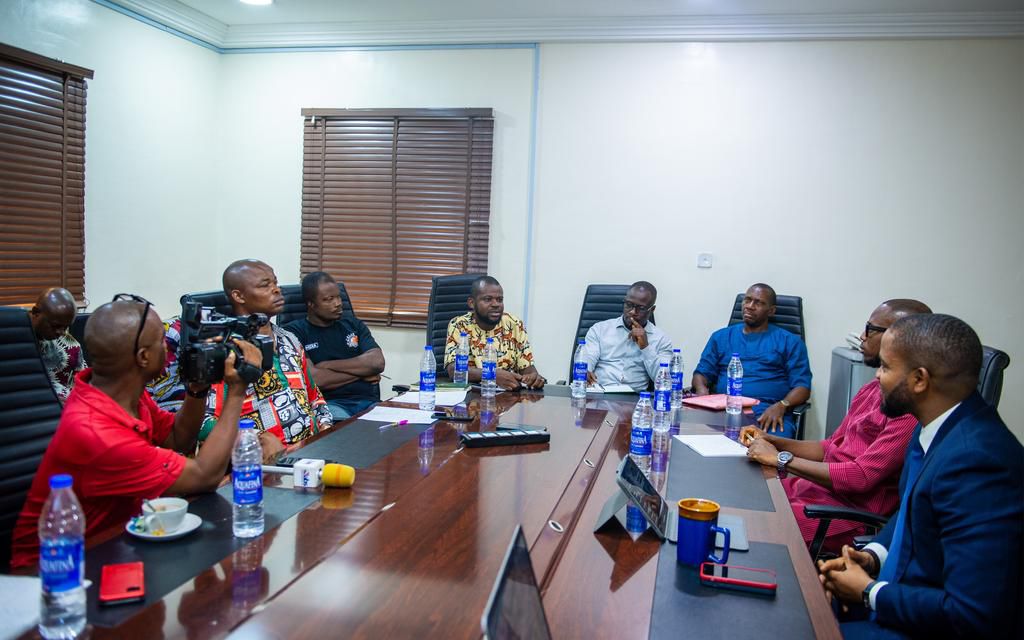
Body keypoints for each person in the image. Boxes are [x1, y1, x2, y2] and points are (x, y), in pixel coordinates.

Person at [10, 295, 262, 569]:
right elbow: (205, 476)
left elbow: (178, 437)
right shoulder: (99, 433)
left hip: (116, 545)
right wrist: (237, 390)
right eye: (162, 342)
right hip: (57, 571)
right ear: (144, 357)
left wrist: (197, 387)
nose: (169, 349)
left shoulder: (117, 393)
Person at [818, 314, 1022, 639]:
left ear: (919, 380)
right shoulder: (933, 425)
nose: (877, 377)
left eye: (885, 367)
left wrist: (869, 592)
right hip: (900, 598)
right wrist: (872, 556)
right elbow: (912, 508)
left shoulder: (978, 461)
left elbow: (973, 613)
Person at [740, 299, 931, 554]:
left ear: (899, 338)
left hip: (845, 514)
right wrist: (772, 441)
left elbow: (861, 478)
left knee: (748, 527)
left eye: (870, 329)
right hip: (816, 493)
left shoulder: (908, 411)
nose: (862, 337)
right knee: (742, 495)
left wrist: (780, 459)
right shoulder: (873, 388)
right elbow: (830, 447)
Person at [200, 260, 333, 462]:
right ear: (238, 296)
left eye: (275, 283)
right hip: (263, 464)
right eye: (265, 285)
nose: (277, 290)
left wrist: (325, 430)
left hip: (311, 453)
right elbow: (205, 423)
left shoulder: (290, 339)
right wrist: (255, 441)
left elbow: (314, 396)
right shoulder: (225, 351)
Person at [692, 283, 811, 438]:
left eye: (758, 303)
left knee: (767, 452)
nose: (750, 306)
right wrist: (703, 393)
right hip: (723, 410)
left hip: (767, 413)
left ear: (772, 311)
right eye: (747, 300)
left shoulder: (790, 342)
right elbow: (701, 374)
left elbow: (803, 387)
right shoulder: (720, 337)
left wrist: (782, 405)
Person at [284, 272, 385, 421]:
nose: (338, 303)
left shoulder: (353, 325)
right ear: (310, 304)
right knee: (346, 432)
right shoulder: (294, 332)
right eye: (329, 299)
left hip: (368, 402)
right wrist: (363, 373)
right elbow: (315, 379)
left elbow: (377, 362)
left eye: (338, 297)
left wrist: (326, 365)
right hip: (329, 404)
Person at [444, 276, 545, 390]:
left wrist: (533, 378)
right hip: (472, 397)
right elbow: (453, 370)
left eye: (499, 299)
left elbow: (528, 369)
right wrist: (492, 375)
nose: (496, 304)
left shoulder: (514, 324)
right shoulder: (459, 325)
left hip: (509, 399)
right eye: (488, 299)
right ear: (472, 303)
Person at [580, 281, 673, 392]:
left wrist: (646, 348)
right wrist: (585, 370)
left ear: (651, 310)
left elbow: (664, 381)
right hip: (600, 394)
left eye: (641, 308)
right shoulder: (599, 329)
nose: (633, 312)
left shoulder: (661, 339)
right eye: (629, 305)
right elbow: (588, 357)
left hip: (636, 400)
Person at [28, 287, 86, 404]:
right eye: (55, 326)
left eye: (66, 327)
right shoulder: (14, 342)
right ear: (35, 313)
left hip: (69, 411)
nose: (61, 332)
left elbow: (84, 383)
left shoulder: (72, 347)